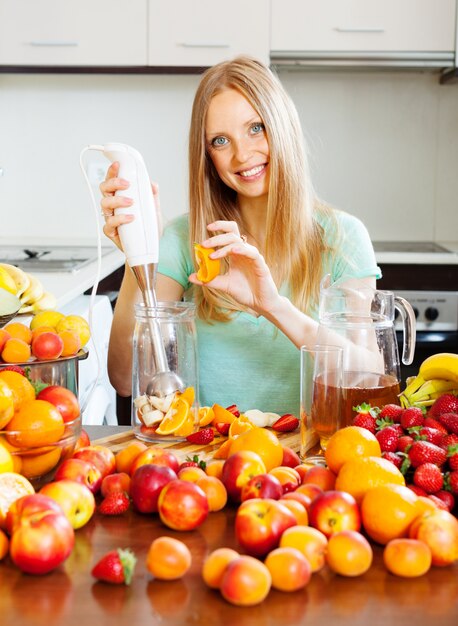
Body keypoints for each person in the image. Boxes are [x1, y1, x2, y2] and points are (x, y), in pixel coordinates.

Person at [100, 55, 381, 417]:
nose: (242, 154)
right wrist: (139, 257)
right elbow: (124, 378)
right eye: (220, 141)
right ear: (207, 156)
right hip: (208, 461)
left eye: (256, 128)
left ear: (282, 127)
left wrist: (273, 306)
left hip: (309, 461)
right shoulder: (185, 238)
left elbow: (369, 380)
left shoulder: (343, 237)